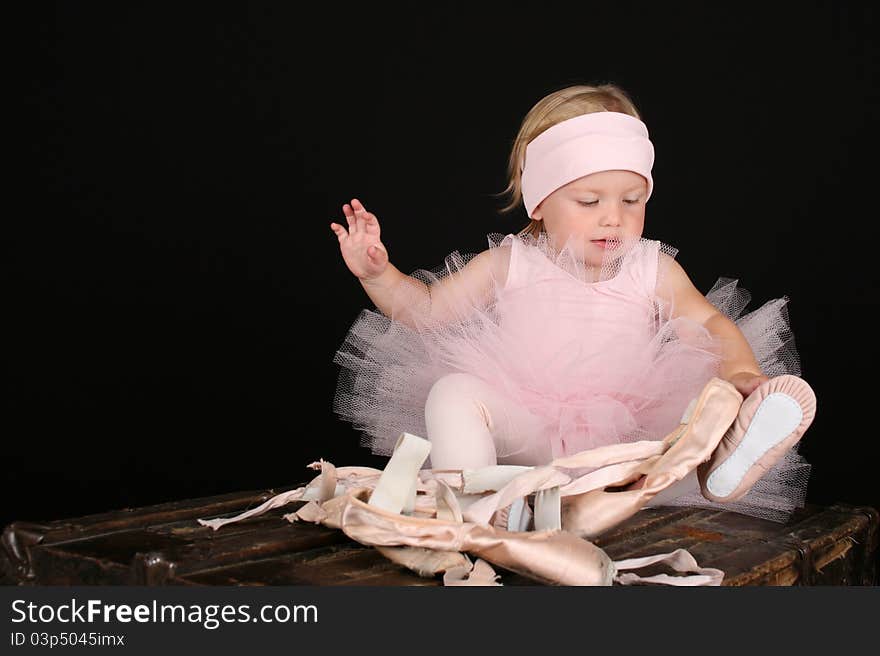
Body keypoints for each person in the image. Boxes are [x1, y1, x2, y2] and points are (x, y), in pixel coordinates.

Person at [328, 83, 815, 522]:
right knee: (452, 393)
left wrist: (742, 375)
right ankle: (477, 511)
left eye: (631, 201)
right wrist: (379, 275)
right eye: (589, 202)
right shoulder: (510, 262)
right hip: (529, 443)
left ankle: (724, 454)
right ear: (539, 202)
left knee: (709, 401)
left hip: (626, 449)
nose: (613, 219)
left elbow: (708, 322)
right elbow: (428, 313)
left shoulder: (651, 268)